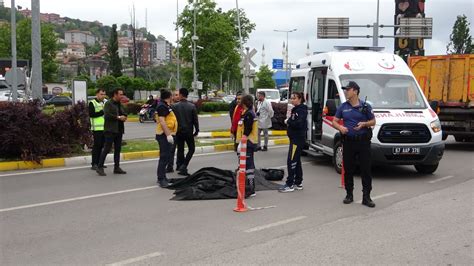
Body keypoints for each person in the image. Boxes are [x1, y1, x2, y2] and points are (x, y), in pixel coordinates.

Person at [332, 81, 376, 208]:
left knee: (366, 170)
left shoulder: (365, 106)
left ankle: (366, 197)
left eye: (348, 89)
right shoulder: (343, 107)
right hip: (349, 142)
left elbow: (373, 121)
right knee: (349, 169)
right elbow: (335, 121)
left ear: (355, 91)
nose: (346, 91)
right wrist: (340, 128)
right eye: (345, 89)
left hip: (363, 142)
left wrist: (364, 124)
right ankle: (349, 194)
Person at [279, 92, 308, 193]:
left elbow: (298, 123)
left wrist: (288, 121)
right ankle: (298, 182)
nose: (292, 100)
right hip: (294, 139)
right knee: (296, 160)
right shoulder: (296, 109)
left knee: (291, 160)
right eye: (291, 98)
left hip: (297, 139)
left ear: (300, 99)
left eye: (294, 98)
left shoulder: (301, 110)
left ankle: (289, 184)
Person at [96, 88, 128, 176]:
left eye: (122, 94)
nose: (122, 96)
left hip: (119, 129)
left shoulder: (119, 104)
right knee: (107, 148)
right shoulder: (108, 103)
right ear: (115, 94)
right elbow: (107, 115)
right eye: (120, 94)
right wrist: (118, 117)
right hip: (110, 130)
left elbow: (124, 112)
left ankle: (116, 167)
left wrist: (124, 116)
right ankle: (100, 167)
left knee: (118, 149)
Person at [173, 88, 199, 176]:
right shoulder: (192, 106)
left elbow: (173, 120)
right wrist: (197, 130)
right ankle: (184, 165)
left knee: (180, 149)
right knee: (191, 149)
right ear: (187, 95)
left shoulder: (175, 106)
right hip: (188, 131)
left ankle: (181, 166)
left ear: (180, 95)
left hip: (178, 131)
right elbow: (195, 120)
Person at [236, 95, 258, 196]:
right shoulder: (246, 113)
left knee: (249, 166)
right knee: (245, 165)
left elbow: (247, 128)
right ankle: (247, 186)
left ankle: (251, 189)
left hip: (248, 142)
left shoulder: (249, 114)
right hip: (246, 142)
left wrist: (244, 137)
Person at [155, 89, 178, 188]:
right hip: (163, 135)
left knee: (167, 156)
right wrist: (168, 135)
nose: (173, 97)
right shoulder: (162, 106)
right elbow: (162, 121)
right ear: (169, 96)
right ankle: (161, 179)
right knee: (164, 157)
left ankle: (163, 176)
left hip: (167, 134)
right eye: (172, 95)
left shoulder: (165, 105)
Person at [89, 88, 107, 170]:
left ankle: (100, 163)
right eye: (101, 94)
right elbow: (92, 114)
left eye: (104, 94)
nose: (103, 96)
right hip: (96, 129)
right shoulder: (92, 103)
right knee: (97, 146)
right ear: (97, 94)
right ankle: (94, 164)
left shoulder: (105, 102)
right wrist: (102, 111)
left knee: (102, 146)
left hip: (105, 128)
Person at [167, 90, 180, 173]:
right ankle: (170, 166)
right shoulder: (170, 107)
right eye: (175, 95)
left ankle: (179, 165)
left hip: (181, 130)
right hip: (173, 131)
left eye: (178, 95)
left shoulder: (182, 105)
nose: (177, 96)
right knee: (171, 149)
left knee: (180, 149)